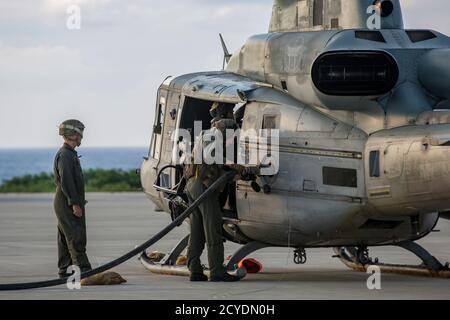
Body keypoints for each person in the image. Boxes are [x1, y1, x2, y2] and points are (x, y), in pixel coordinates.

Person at [185, 102, 242, 282]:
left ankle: (194, 269)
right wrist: (239, 167)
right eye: (231, 111)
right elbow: (218, 157)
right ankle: (217, 271)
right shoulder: (224, 127)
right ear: (224, 112)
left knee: (197, 230)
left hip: (192, 184)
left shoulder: (205, 133)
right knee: (213, 228)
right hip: (203, 186)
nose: (233, 114)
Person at [53, 119, 92, 278]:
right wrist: (75, 204)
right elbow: (67, 181)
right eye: (80, 133)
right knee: (75, 236)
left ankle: (64, 269)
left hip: (65, 201)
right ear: (75, 134)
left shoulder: (69, 154)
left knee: (65, 237)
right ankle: (84, 270)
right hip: (67, 202)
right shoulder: (65, 155)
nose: (81, 136)